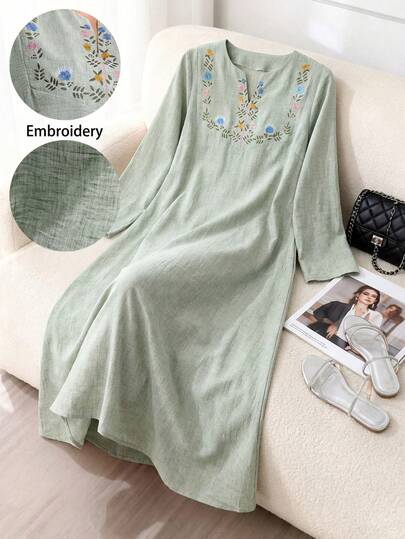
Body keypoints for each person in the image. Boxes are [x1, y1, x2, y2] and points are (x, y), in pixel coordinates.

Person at [308, 285, 383, 349]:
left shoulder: (376, 315)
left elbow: (370, 335)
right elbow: (318, 313)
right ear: (358, 295)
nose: (369, 297)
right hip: (324, 335)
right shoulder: (338, 305)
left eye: (373, 296)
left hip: (345, 345)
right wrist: (333, 324)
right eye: (366, 294)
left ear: (375, 301)